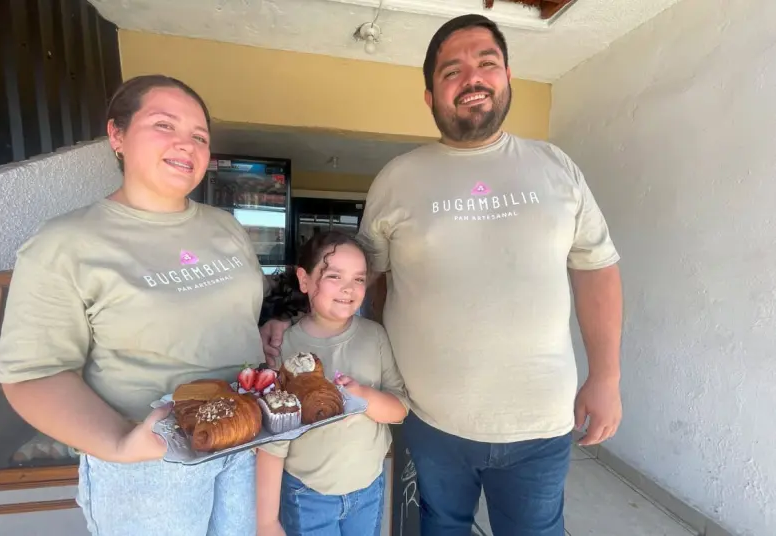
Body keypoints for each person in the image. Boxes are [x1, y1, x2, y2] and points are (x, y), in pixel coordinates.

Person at [260, 14, 624, 536]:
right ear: (430, 96)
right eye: (451, 71)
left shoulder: (555, 167)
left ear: (507, 77)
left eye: (486, 63)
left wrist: (606, 376)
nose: (472, 77)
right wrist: (292, 316)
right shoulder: (398, 178)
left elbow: (597, 267)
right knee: (438, 527)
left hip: (540, 422)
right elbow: (354, 278)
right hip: (430, 421)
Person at [0, 75, 266, 536]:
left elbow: (232, 318)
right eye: (164, 125)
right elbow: (32, 375)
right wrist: (119, 444)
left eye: (199, 136)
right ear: (116, 135)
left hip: (240, 439)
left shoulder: (226, 227)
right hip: (150, 460)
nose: (187, 144)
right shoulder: (65, 242)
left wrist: (265, 337)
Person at [255, 231, 409, 536]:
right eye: (334, 276)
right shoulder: (282, 345)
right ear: (305, 280)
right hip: (307, 494)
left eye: (359, 279)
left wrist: (363, 396)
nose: (348, 289)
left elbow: (399, 409)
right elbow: (271, 443)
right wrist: (266, 522)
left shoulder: (375, 336)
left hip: (369, 488)